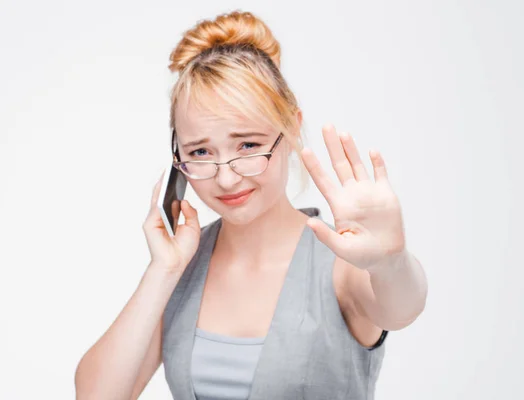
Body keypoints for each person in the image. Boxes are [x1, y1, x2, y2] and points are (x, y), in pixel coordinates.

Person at [74, 10, 428, 400]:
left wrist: (390, 261)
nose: (226, 178)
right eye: (201, 151)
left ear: (291, 128)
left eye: (248, 145)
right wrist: (163, 270)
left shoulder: (341, 260)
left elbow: (402, 309)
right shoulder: (183, 271)